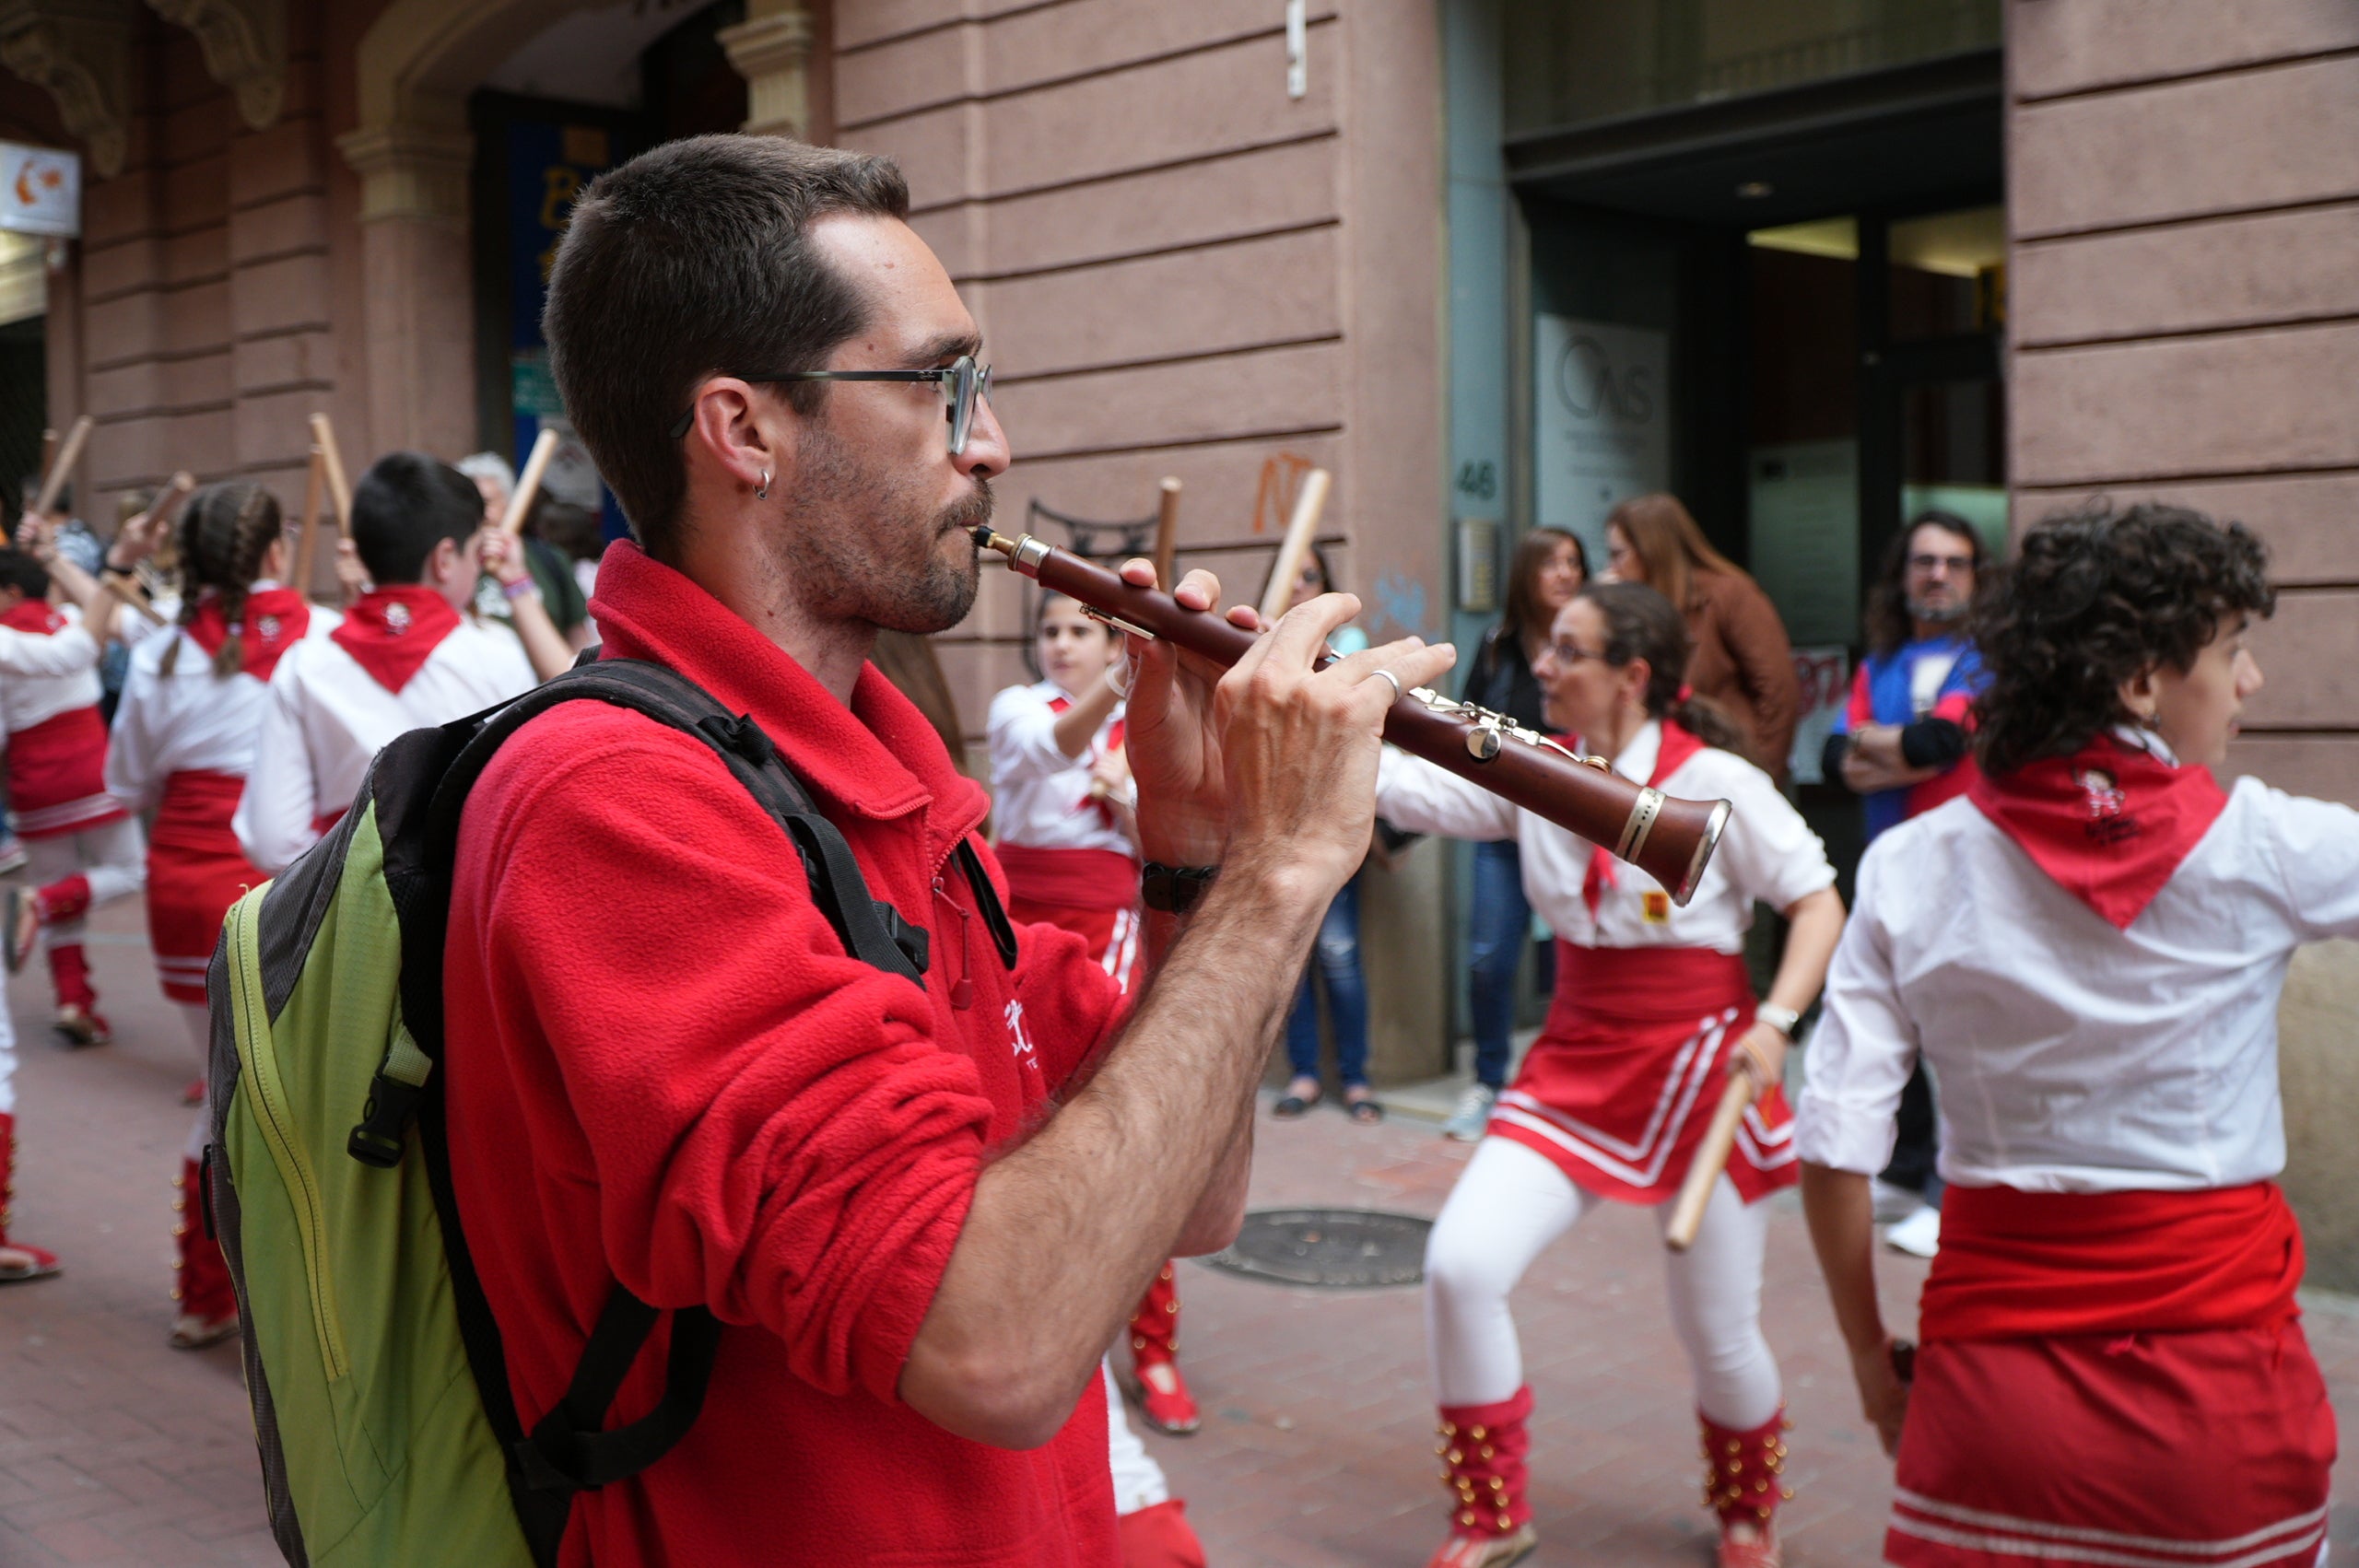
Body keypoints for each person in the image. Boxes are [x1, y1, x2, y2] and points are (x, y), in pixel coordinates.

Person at [440, 132, 1452, 1567]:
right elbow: (996, 1341)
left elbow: (1194, 1196)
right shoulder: (614, 808)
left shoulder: (886, 780)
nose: (992, 445)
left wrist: (1197, 856)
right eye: (944, 385)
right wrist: (1284, 874)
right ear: (743, 431)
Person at [1796, 502, 2343, 1568]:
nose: (2249, 680)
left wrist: (1869, 1362)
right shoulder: (2267, 844)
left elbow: (1831, 1150)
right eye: (2230, 647)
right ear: (2140, 681)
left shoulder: (1911, 866)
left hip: (1990, 1411)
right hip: (2217, 1414)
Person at [1379, 581, 1844, 1568]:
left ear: (1633, 676)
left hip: (1705, 1068)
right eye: (1547, 649)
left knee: (1716, 1327)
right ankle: (1492, 1514)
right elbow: (1403, 786)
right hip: (1575, 1060)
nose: (1542, 668)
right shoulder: (1536, 768)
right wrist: (1300, 702)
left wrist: (1775, 1025)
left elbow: (1816, 901)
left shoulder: (1719, 779)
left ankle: (1748, 1510)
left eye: (1567, 652)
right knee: (1461, 1266)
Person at [105, 480, 340, 1348]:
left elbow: (126, 782)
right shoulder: (322, 635)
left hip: (181, 884)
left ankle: (207, 1292)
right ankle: (291, 1290)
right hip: (282, 880)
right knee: (306, 1096)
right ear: (276, 549)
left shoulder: (160, 652)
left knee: (222, 1093)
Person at [987, 590, 1203, 1438]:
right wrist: (1121, 686)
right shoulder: (1018, 707)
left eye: (1081, 630)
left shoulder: (1144, 728)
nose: (1061, 644)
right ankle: (1015, 1311)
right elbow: (1048, 749)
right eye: (1050, 630)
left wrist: (1125, 802)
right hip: (1010, 932)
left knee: (1118, 1123)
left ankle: (1153, 1346)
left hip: (1106, 931)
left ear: (1110, 641)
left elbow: (1175, 847)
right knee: (1014, 1120)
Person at [232, 452, 557, 876]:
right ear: (444, 558)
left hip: (350, 901)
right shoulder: (496, 654)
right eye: (476, 552)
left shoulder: (304, 662)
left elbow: (272, 841)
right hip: (465, 894)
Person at [1822, 510, 1992, 1258]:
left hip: (1962, 874)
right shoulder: (1879, 664)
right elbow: (1834, 759)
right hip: (1887, 867)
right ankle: (1907, 1167)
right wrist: (1903, 753)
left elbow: (1940, 743)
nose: (1938, 575)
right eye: (1925, 562)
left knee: (1955, 1036)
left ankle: (1951, 1197)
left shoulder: (1985, 662)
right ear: (1902, 576)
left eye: (1955, 563)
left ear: (1976, 577)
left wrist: (1885, 749)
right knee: (1897, 1023)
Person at [1444, 526, 1585, 1141]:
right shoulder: (1497, 645)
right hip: (1504, 829)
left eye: (1574, 563)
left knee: (1574, 959)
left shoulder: (1593, 642)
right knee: (1489, 959)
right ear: (1526, 573)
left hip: (1574, 829)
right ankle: (1490, 1083)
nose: (1566, 574)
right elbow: (1463, 726)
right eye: (1552, 563)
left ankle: (1567, 1088)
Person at [0, 545, 147, 1046]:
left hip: (34, 780)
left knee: (56, 881)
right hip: (90, 769)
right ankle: (43, 904)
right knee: (130, 871)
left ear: (11, 592)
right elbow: (86, 652)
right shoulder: (68, 620)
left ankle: (73, 999)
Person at [1270, 545, 1379, 1126]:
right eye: (1288, 576)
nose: (1297, 587)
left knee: (1338, 954)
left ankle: (1357, 1078)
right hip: (1277, 820)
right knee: (1292, 954)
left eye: (1308, 576)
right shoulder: (1263, 643)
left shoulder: (1350, 647)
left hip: (1333, 820)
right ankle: (1305, 1074)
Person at [1603, 495, 1799, 778]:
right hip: (1659, 773)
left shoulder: (1729, 594)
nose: (1612, 569)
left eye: (1618, 554)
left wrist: (1759, 773)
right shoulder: (1634, 612)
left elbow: (1779, 691)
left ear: (1650, 551)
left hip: (1725, 767)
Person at [455, 450, 594, 651]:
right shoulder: (449, 564)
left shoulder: (549, 559)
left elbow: (579, 639)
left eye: (486, 502)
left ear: (509, 503)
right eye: (468, 503)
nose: (479, 513)